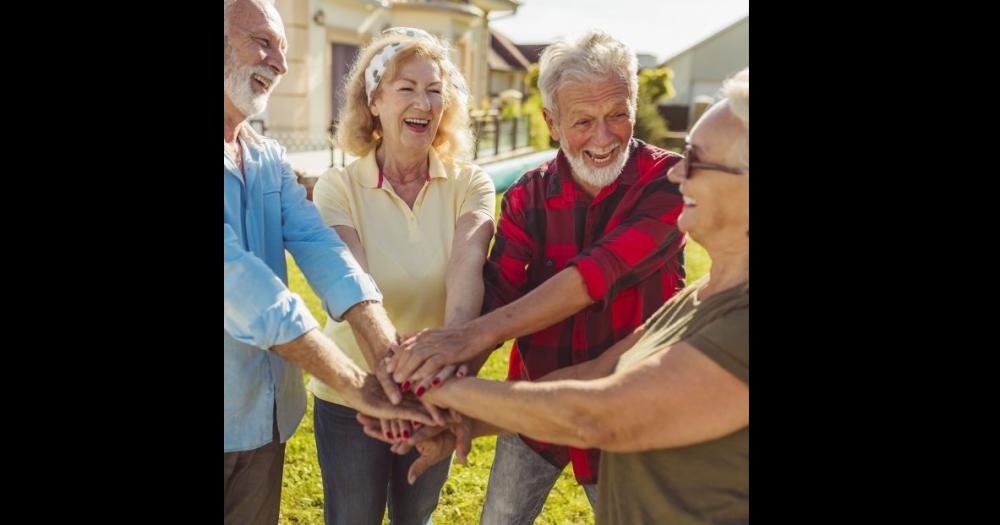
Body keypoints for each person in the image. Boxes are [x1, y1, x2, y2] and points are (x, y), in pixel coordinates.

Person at [368, 66, 750, 525]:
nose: (679, 172)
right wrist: (460, 421)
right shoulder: (695, 300)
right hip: (540, 404)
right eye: (584, 120)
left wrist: (439, 386)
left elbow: (599, 414)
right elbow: (593, 375)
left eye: (698, 159)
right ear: (553, 122)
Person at [224, 3, 431, 524]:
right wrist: (360, 386)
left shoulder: (266, 157)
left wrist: (385, 357)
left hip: (260, 424)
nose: (280, 63)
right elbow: (246, 290)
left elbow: (323, 249)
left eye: (284, 49)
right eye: (264, 42)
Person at [307, 27, 495, 525]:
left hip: (433, 388)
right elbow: (352, 280)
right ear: (374, 101)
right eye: (407, 87)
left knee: (417, 514)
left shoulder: (470, 182)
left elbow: (466, 264)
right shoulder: (337, 186)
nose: (424, 102)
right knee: (352, 517)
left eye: (435, 90)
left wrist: (441, 367)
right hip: (354, 391)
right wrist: (393, 383)